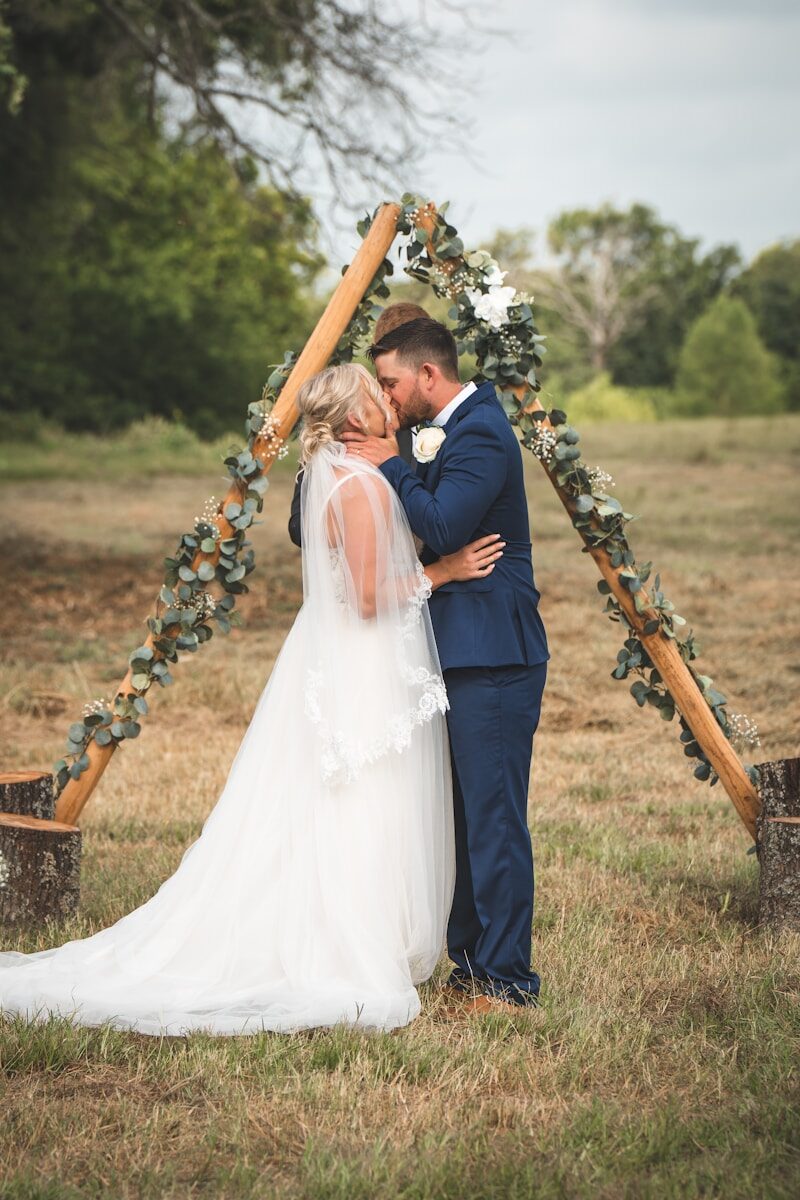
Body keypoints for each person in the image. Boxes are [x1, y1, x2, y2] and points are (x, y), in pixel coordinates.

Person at [0, 364, 499, 1037]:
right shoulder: (354, 489)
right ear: (355, 422)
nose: (389, 399)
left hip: (352, 654)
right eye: (376, 394)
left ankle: (366, 928)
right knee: (357, 794)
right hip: (358, 659)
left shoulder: (350, 476)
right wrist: (445, 569)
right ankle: (342, 941)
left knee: (357, 794)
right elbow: (372, 595)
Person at [342, 317, 550, 1011]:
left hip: (492, 651)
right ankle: (469, 965)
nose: (389, 397)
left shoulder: (484, 430)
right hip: (446, 651)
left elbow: (443, 526)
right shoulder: (427, 432)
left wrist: (390, 462)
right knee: (459, 817)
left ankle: (507, 978)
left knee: (492, 817)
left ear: (429, 375)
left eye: (394, 383)